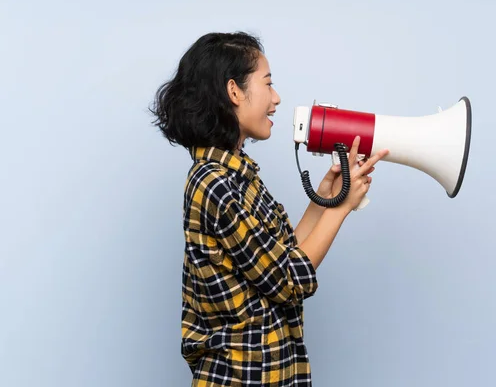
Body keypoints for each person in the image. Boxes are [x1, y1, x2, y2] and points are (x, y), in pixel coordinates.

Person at [150, 31, 389, 387]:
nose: (276, 99)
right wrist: (341, 211)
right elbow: (290, 280)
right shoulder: (213, 184)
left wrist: (325, 198)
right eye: (268, 83)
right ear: (234, 91)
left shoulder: (238, 175)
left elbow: (279, 259)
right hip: (241, 377)